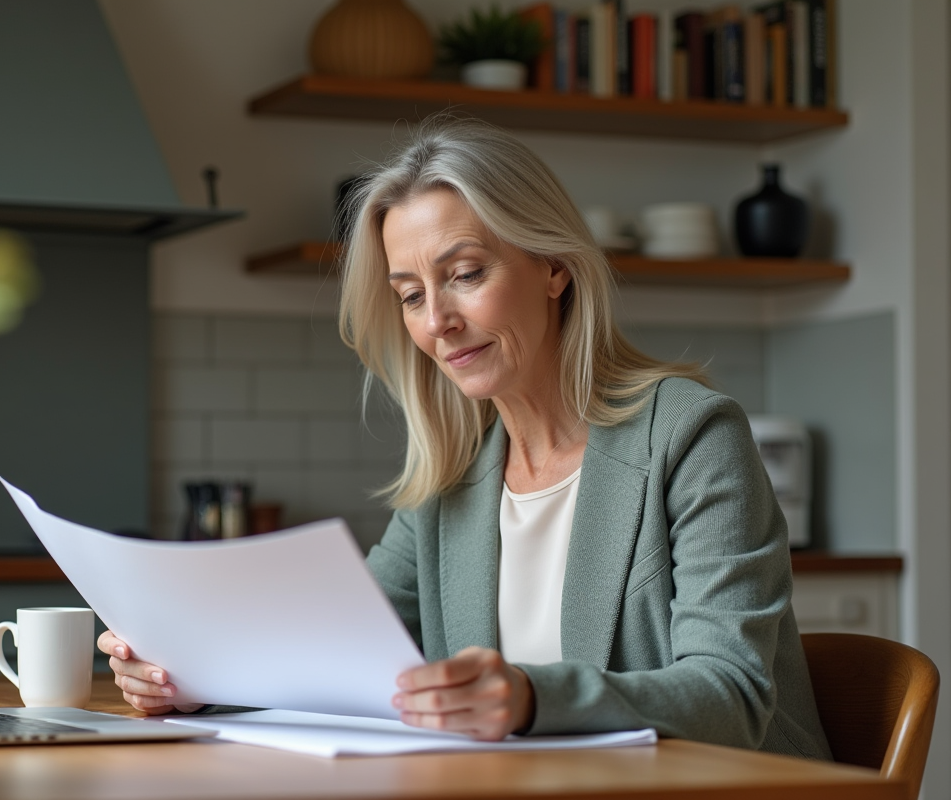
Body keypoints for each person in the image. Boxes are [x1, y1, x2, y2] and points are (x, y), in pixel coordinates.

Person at [98, 117, 832, 759]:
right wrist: (194, 681)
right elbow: (331, 655)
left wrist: (530, 699)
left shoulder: (691, 436)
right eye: (411, 295)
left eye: (466, 274)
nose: (436, 321)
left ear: (554, 267)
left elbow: (730, 694)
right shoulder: (453, 481)